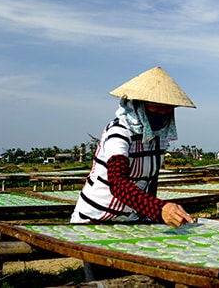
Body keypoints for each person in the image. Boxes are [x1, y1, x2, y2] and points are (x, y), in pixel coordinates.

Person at [70, 66, 196, 282]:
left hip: (133, 222)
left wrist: (154, 216)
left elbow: (150, 181)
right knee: (104, 283)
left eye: (168, 108)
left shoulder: (158, 137)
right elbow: (118, 184)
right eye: (157, 107)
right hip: (96, 223)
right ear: (139, 105)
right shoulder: (118, 133)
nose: (163, 113)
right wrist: (159, 209)